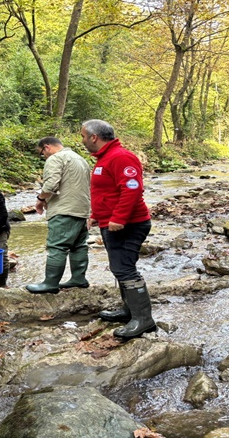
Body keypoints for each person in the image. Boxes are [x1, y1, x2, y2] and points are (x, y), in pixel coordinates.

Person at [80, 119, 155, 340]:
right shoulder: (105, 158)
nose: (82, 140)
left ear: (94, 137)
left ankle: (144, 320)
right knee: (119, 268)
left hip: (129, 224)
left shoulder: (121, 157)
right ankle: (129, 311)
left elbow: (132, 188)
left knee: (125, 269)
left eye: (83, 136)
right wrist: (96, 214)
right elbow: (106, 192)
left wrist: (119, 218)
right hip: (111, 222)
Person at [25, 137, 92, 294]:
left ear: (46, 147)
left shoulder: (55, 158)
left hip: (63, 209)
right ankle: (79, 278)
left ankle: (50, 283)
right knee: (79, 245)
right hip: (82, 209)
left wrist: (40, 200)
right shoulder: (80, 159)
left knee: (57, 246)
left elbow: (51, 184)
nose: (44, 156)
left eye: (42, 153)